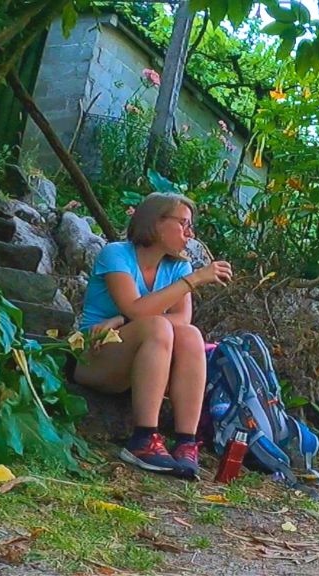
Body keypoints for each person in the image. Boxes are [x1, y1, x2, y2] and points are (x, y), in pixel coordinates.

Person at [73, 192, 233, 479]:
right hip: (96, 357)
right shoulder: (117, 254)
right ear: (156, 223)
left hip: (139, 353)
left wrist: (121, 319)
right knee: (159, 326)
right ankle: (143, 438)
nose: (190, 232)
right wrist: (194, 279)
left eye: (190, 225)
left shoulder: (178, 266)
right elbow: (136, 308)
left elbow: (181, 319)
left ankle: (186, 442)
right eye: (183, 223)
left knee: (191, 335)